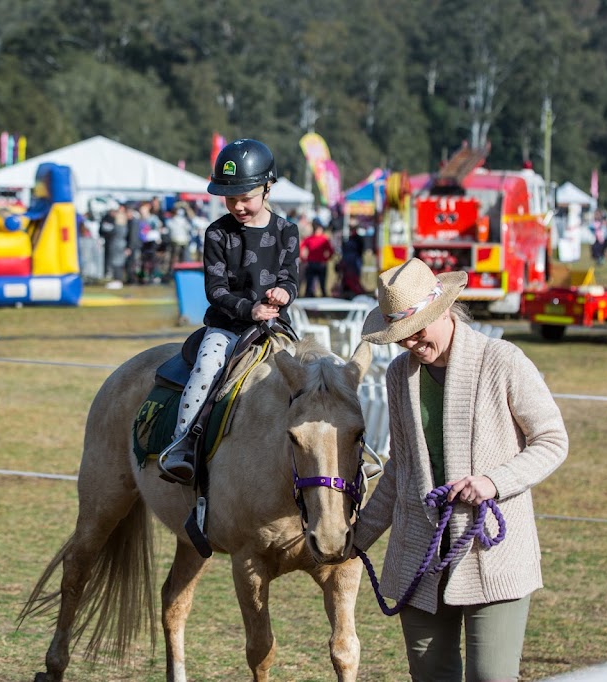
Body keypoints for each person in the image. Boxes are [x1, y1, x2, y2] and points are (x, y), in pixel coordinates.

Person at [352, 258, 568, 682]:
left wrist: (493, 482)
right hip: (419, 555)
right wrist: (355, 538)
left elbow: (552, 441)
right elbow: (401, 468)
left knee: (491, 676)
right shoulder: (399, 375)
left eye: (417, 331)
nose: (411, 344)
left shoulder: (503, 361)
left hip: (492, 554)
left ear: (444, 311)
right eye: (400, 337)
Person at [157, 139, 300, 485]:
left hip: (276, 326)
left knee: (311, 375)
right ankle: (183, 443)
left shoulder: (287, 231)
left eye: (245, 197)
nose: (237, 205)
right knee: (206, 368)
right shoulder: (217, 233)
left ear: (267, 188)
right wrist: (250, 309)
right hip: (227, 327)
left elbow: (291, 278)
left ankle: (335, 450)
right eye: (230, 198)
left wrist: (284, 292)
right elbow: (216, 290)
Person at [300, 219, 334, 297]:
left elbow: (301, 248)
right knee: (321, 283)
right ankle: (322, 296)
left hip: (312, 263)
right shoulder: (324, 239)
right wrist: (325, 260)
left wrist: (304, 259)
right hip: (319, 264)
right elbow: (331, 251)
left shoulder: (310, 239)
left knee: (310, 283)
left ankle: (309, 296)